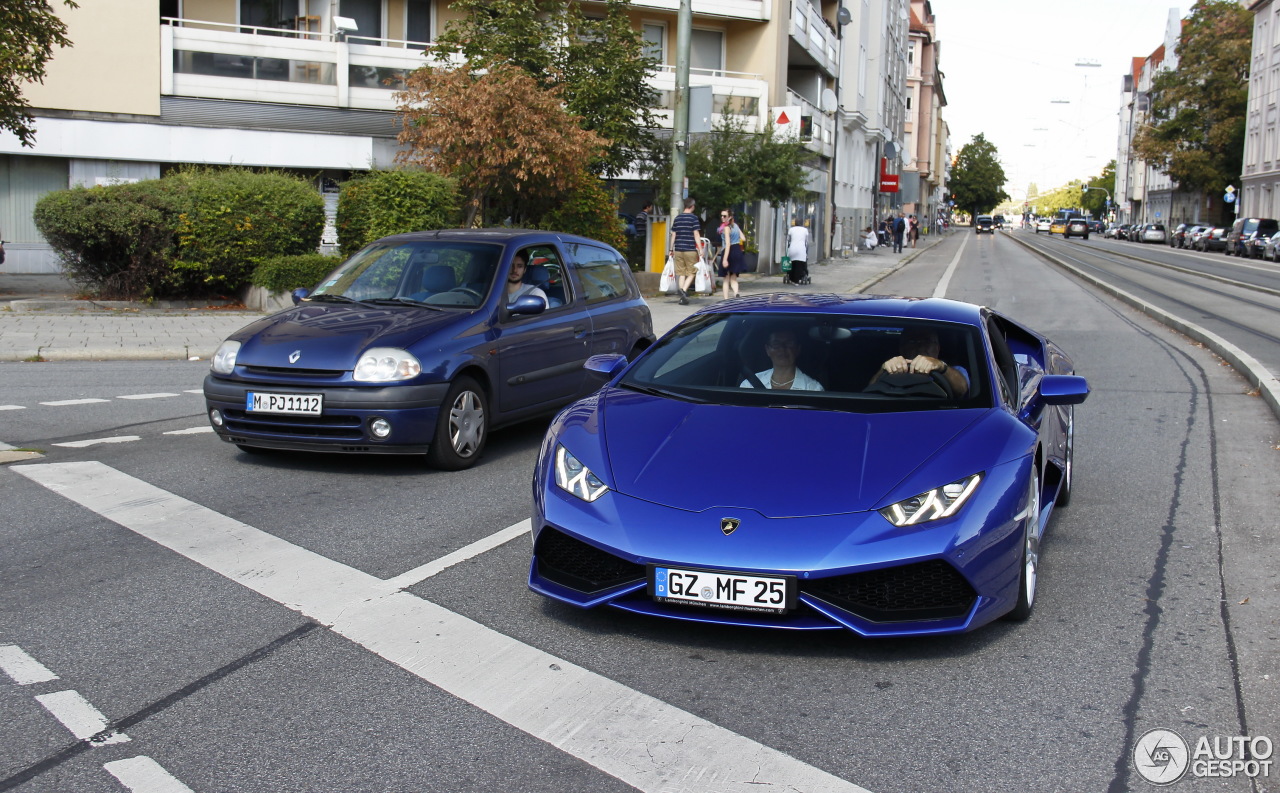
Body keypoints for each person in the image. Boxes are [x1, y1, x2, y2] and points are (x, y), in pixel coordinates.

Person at [868, 326, 968, 397]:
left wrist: (941, 367)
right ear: (902, 348)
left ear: (937, 348)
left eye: (927, 341)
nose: (920, 346)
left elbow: (962, 391)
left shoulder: (954, 371)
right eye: (912, 341)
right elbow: (869, 394)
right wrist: (884, 369)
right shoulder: (892, 368)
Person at [739, 329, 824, 391]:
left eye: (789, 343)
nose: (782, 349)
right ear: (767, 350)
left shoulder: (813, 388)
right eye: (776, 344)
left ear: (798, 349)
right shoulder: (749, 385)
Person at [667, 198, 704, 305]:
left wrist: (671, 249)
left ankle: (682, 298)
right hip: (690, 249)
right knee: (692, 272)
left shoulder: (677, 218)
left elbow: (673, 234)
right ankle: (683, 291)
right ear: (692, 206)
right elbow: (696, 234)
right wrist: (700, 249)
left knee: (681, 273)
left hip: (678, 249)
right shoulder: (693, 218)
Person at [718, 209, 749, 299]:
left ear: (730, 217)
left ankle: (726, 300)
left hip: (729, 251)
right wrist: (736, 239)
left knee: (726, 278)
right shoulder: (735, 226)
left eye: (725, 216)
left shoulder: (726, 228)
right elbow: (743, 238)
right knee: (734, 277)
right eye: (721, 216)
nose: (722, 218)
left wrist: (724, 259)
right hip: (737, 250)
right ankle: (736, 293)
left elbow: (727, 244)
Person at [785, 218, 810, 285]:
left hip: (792, 249)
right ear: (802, 223)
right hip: (801, 249)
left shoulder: (791, 230)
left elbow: (788, 240)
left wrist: (787, 251)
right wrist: (807, 252)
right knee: (801, 264)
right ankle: (798, 278)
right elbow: (806, 242)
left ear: (795, 223)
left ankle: (791, 278)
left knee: (792, 263)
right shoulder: (805, 230)